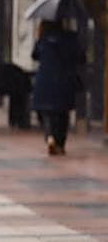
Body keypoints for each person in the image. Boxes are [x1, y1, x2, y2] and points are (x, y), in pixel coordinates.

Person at [31, 20, 84, 156]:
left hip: (45, 81)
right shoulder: (70, 38)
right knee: (62, 113)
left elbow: (34, 55)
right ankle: (60, 144)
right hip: (64, 80)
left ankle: (50, 136)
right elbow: (81, 57)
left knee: (47, 112)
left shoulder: (43, 39)